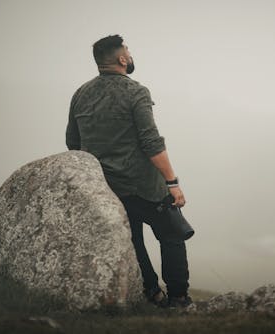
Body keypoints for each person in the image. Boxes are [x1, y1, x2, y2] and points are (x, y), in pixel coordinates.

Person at [65, 34, 192, 308]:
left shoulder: (80, 94)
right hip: (143, 186)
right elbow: (151, 142)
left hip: (106, 188)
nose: (130, 55)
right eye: (128, 51)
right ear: (122, 59)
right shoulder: (136, 92)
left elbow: (73, 143)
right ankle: (178, 300)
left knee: (133, 240)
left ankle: (151, 292)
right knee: (172, 234)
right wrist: (172, 182)